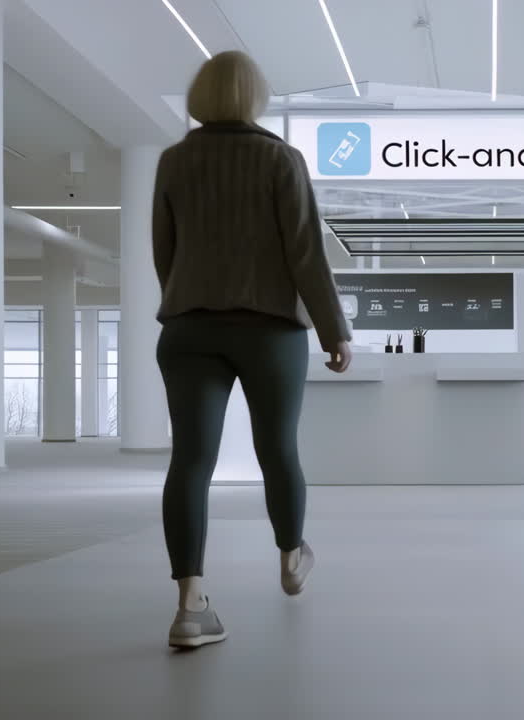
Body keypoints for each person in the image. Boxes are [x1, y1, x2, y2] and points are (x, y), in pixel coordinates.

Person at [151, 51, 352, 649]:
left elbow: (166, 250)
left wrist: (188, 298)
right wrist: (332, 329)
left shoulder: (174, 161)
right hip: (268, 330)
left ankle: (190, 605)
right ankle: (291, 558)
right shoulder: (279, 159)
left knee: (190, 461)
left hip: (188, 328)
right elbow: (305, 252)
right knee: (278, 451)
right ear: (256, 97)